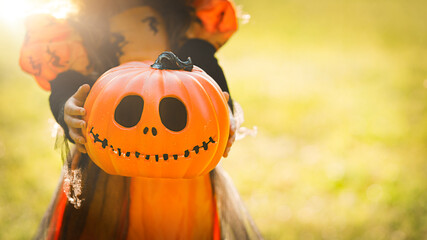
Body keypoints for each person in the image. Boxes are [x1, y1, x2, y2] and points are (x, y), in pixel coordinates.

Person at [20, 0, 262, 239]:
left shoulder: (184, 21)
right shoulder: (79, 31)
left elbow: (207, 80)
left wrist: (225, 114)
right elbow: (65, 82)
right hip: (108, 169)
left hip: (181, 160)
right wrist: (66, 108)